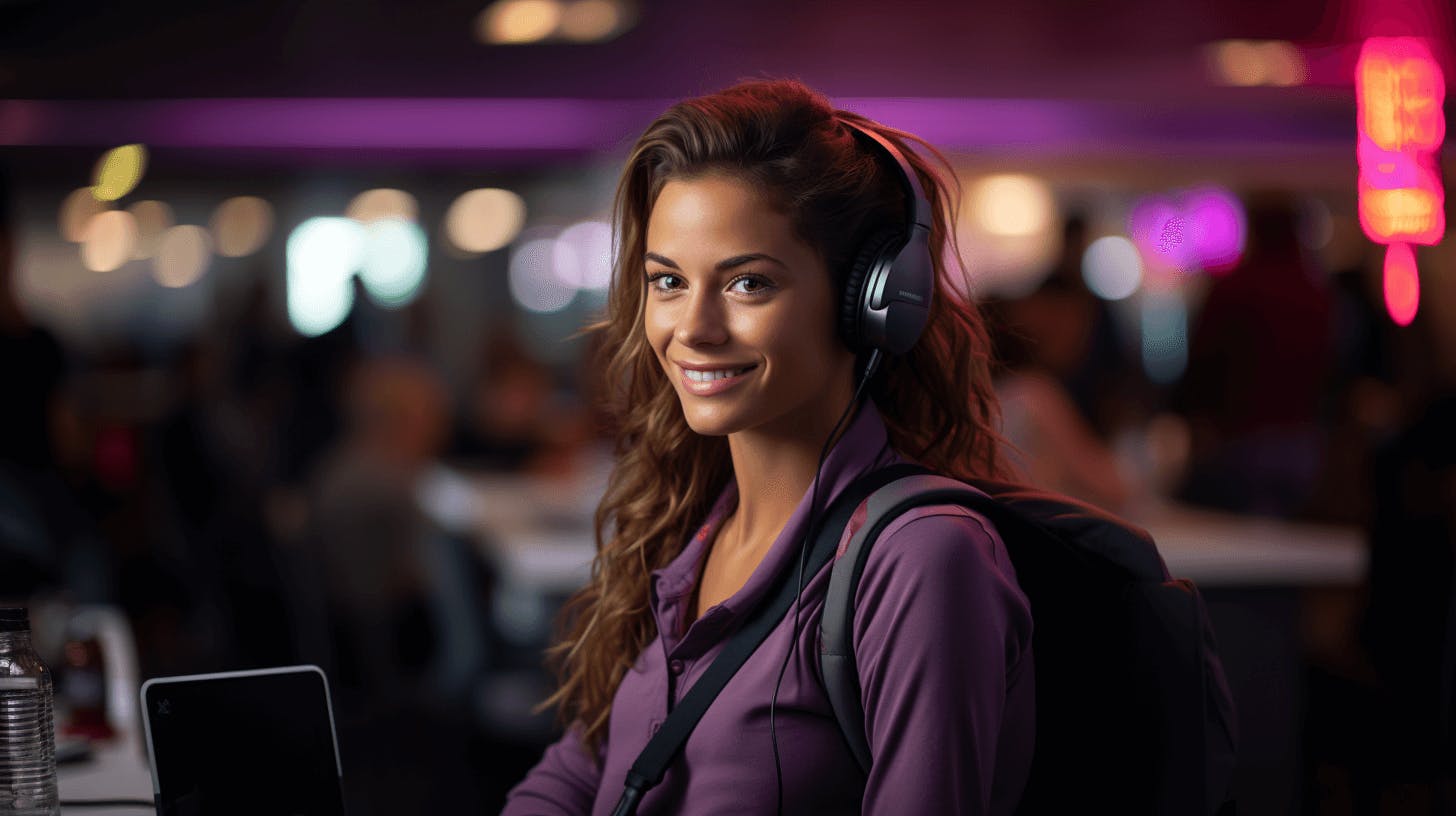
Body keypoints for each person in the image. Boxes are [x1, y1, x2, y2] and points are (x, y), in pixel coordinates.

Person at [502, 79, 1034, 815]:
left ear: (870, 303)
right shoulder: (681, 523)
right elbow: (578, 775)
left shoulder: (922, 561)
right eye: (668, 281)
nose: (693, 328)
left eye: (749, 282)